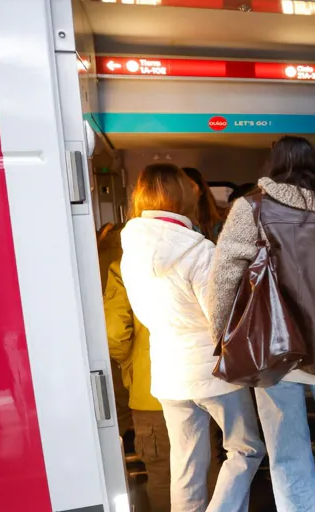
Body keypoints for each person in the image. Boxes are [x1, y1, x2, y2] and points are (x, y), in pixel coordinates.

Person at [208, 136, 315, 512]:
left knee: (287, 447)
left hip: (274, 346)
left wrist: (223, 333)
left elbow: (223, 279)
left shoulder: (251, 208)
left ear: (275, 166)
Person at [120, 163, 265, 511]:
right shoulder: (199, 252)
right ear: (183, 195)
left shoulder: (132, 251)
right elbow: (223, 320)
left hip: (169, 372)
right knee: (246, 449)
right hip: (213, 373)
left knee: (185, 465)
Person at [103, 252, 171, 511]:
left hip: (150, 391)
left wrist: (130, 364)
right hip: (197, 389)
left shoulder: (123, 266)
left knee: (163, 475)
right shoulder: (196, 251)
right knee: (202, 468)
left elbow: (114, 334)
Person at [183, 167, 224, 242]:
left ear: (201, 189)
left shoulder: (222, 217)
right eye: (181, 188)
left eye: (190, 186)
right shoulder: (174, 220)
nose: (185, 191)